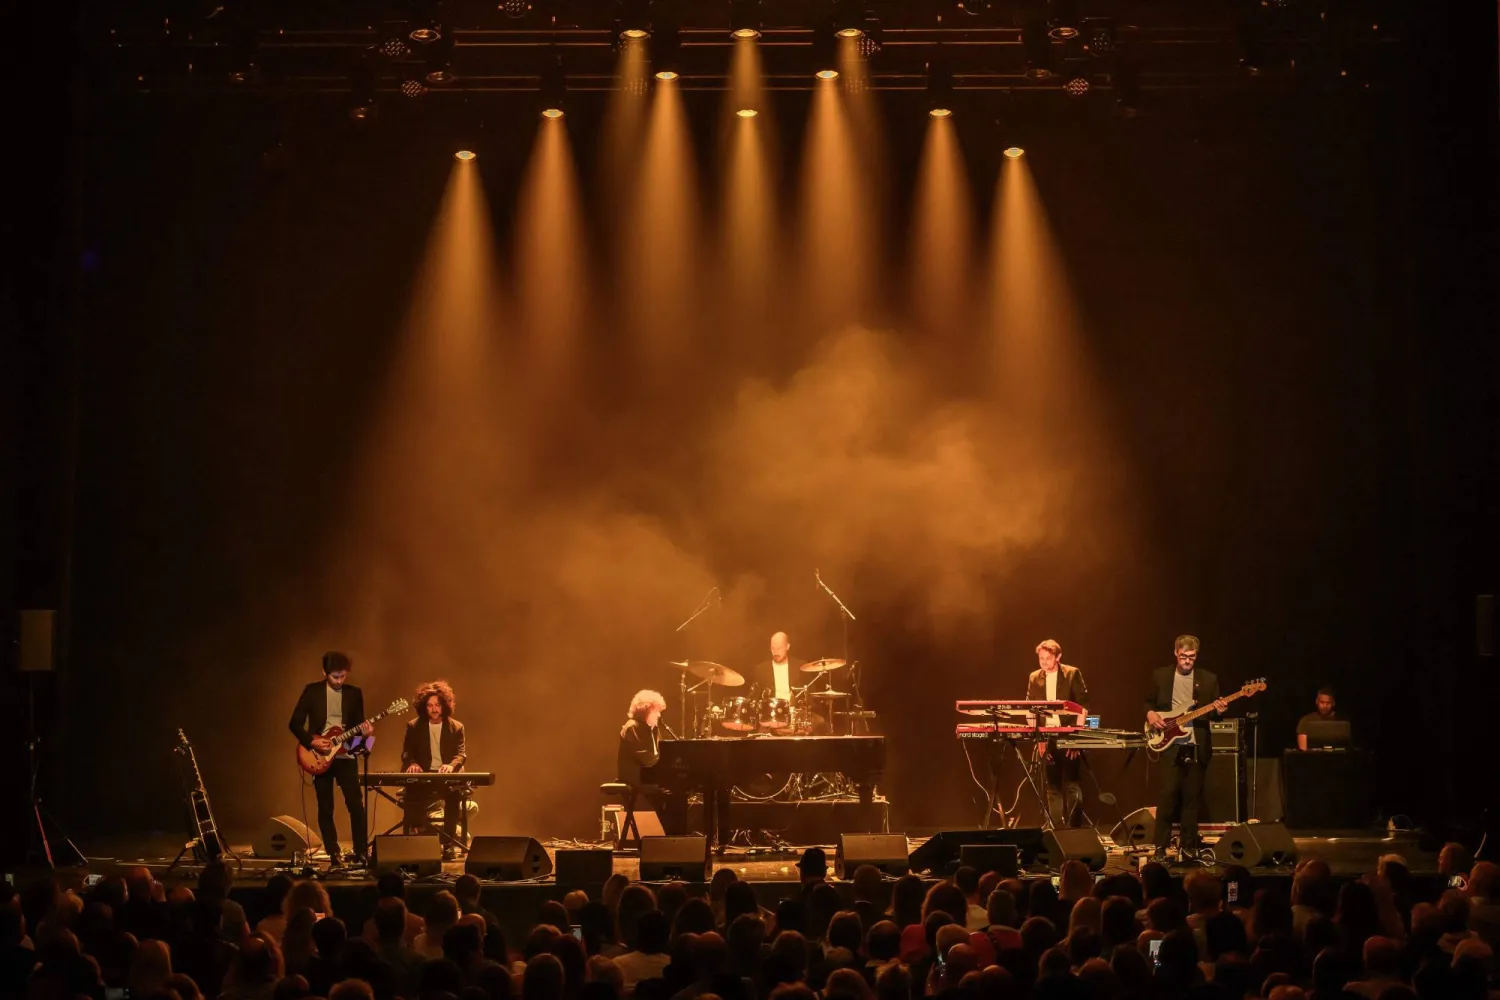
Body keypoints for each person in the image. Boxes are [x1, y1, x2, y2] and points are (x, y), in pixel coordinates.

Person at [1144, 635, 1228, 859]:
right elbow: (1148, 702)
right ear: (1175, 653)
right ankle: (1160, 847)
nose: (1187, 661)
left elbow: (1214, 717)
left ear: (1196, 656)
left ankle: (1188, 847)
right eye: (1183, 657)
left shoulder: (1208, 680)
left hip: (1196, 745)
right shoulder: (1160, 675)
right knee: (1167, 796)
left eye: (1191, 657)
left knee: (1192, 798)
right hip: (1169, 744)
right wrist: (1151, 715)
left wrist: (1219, 711)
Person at [288, 651, 371, 866]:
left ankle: (361, 851)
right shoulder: (312, 691)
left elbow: (359, 727)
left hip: (345, 755)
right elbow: (294, 724)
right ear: (324, 672)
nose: (339, 681)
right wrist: (311, 742)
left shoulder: (354, 693)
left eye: (343, 676)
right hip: (319, 755)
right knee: (326, 806)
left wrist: (366, 734)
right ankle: (333, 852)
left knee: (356, 804)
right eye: (335, 677)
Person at [401, 680, 471, 860]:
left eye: (437, 705)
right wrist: (413, 763)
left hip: (444, 777)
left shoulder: (457, 727)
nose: (433, 709)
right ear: (423, 707)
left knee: (453, 796)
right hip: (422, 776)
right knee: (411, 795)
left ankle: (447, 843)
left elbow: (461, 754)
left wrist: (451, 765)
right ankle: (422, 837)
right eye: (429, 705)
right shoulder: (414, 726)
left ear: (445, 706)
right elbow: (407, 753)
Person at [1026, 639, 1091, 828]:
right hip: (1046, 736)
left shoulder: (1072, 674)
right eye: (1041, 659)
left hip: (1068, 735)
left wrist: (1075, 740)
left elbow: (1083, 706)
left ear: (1058, 657)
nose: (1044, 662)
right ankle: (1057, 829)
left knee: (1072, 784)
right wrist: (1038, 739)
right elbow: (1030, 709)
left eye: (1048, 658)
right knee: (1051, 786)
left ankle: (1075, 829)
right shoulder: (1034, 677)